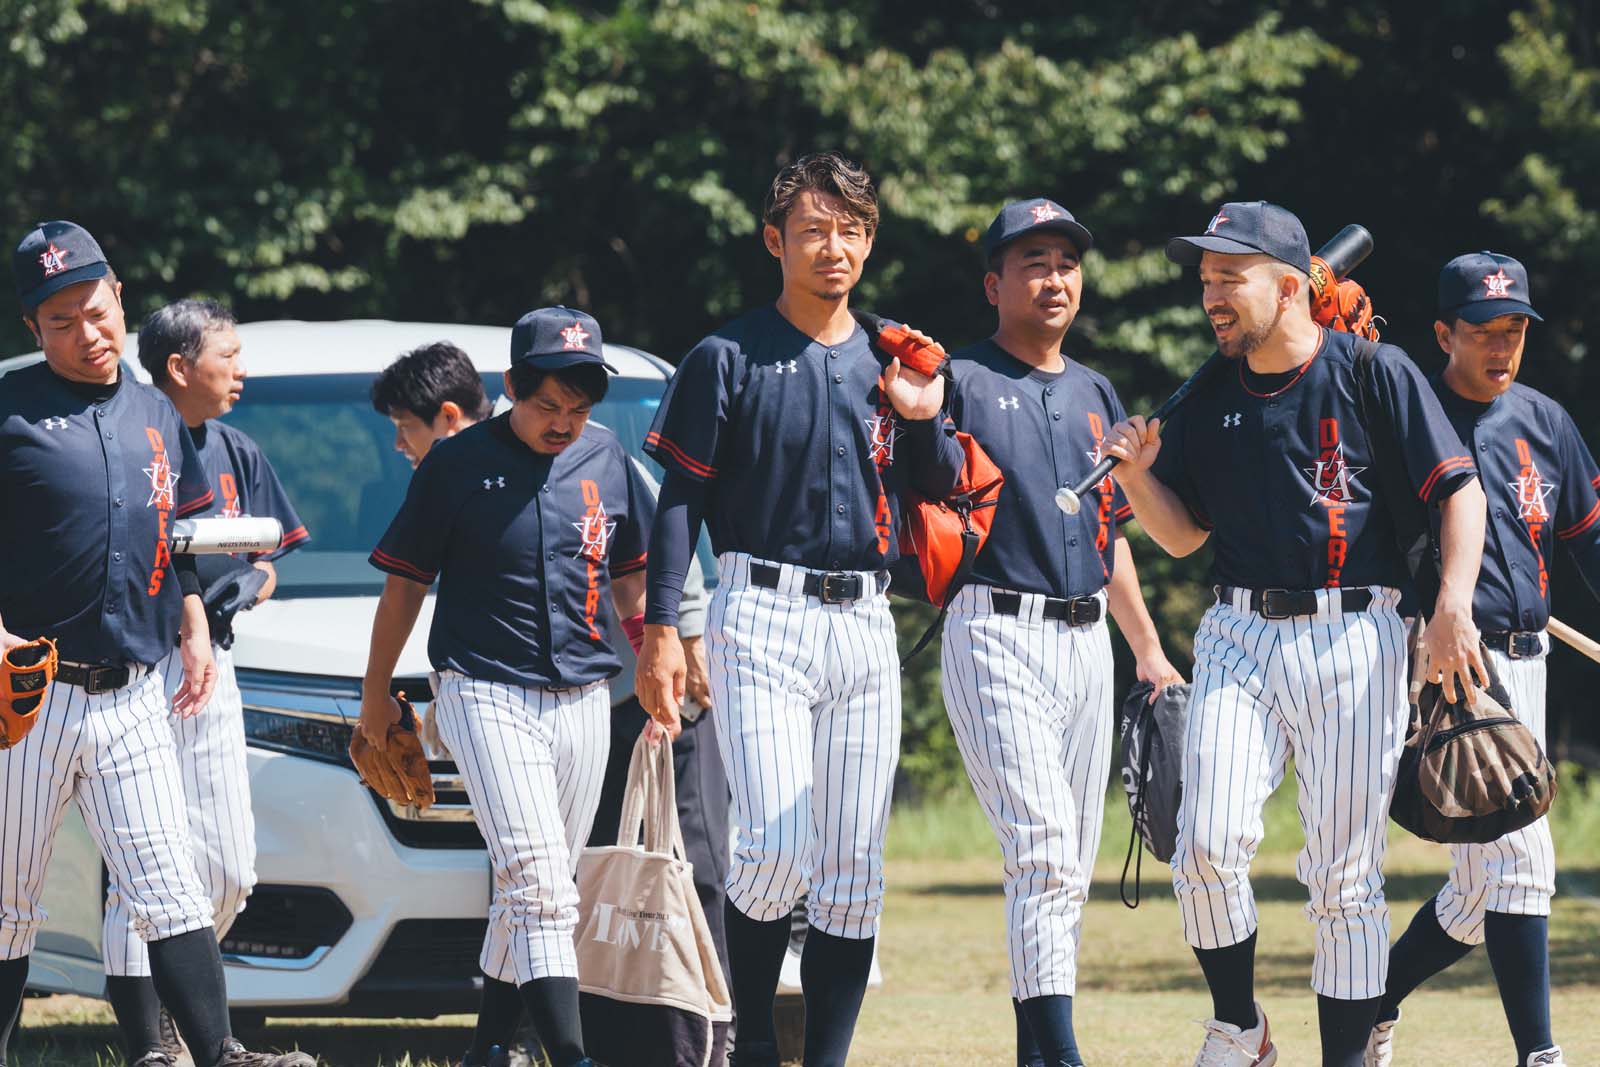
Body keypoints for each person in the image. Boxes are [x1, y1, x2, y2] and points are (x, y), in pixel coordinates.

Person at [1101, 201, 1488, 1067]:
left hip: (1356, 631)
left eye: (1228, 277)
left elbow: (1459, 489)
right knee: (1202, 845)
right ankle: (1240, 1027)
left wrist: (1453, 603)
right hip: (1238, 630)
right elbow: (1183, 536)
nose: (1212, 295)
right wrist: (1134, 478)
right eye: (1205, 278)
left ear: (1288, 287)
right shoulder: (1210, 393)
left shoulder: (1371, 370)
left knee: (1345, 877)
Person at [634, 151, 964, 1067]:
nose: (834, 247)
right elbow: (680, 501)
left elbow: (939, 485)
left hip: (864, 618)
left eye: (851, 230)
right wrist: (662, 628)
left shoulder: (893, 356)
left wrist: (923, 414)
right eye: (814, 229)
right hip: (760, 610)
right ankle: (749, 1046)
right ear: (774, 239)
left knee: (853, 869)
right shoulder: (726, 356)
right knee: (775, 851)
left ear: (870, 242)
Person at [0, 221, 314, 1067]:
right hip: (28, 694)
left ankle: (219, 1053)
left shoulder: (156, 414)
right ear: (32, 327)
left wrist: (194, 619)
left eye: (95, 309)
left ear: (119, 298)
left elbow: (178, 539)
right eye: (60, 320)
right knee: (7, 904)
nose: (86, 332)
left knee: (171, 886)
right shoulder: (9, 407)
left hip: (135, 690)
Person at [360, 307, 652, 1067]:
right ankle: (571, 1055)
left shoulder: (605, 455)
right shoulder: (455, 464)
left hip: (584, 694)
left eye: (578, 407)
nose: (563, 422)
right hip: (483, 687)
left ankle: (488, 1048)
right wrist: (374, 694)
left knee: (538, 887)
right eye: (547, 403)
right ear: (512, 386)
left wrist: (656, 651)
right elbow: (404, 585)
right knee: (541, 884)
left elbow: (630, 574)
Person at [942, 198, 1184, 1067]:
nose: (1054, 279)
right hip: (994, 628)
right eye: (1034, 262)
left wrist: (1147, 648)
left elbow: (1108, 533)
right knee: (1042, 848)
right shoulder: (959, 380)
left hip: (1086, 642)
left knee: (1065, 872)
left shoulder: (1094, 392)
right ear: (994, 284)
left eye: (1067, 263)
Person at [1364, 253, 1598, 1067]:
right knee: (1523, 857)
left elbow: (1588, 540)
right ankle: (1541, 1053)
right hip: (1449, 668)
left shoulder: (1545, 421)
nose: (1502, 346)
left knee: (1476, 893)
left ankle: (1373, 1003)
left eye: (1514, 330)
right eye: (1484, 331)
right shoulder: (1408, 419)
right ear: (1443, 334)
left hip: (1527, 662)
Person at [96, 300, 310, 1064]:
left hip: (212, 662)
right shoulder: (126, 435)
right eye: (229, 354)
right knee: (143, 866)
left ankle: (176, 1005)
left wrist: (248, 585)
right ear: (180, 366)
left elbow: (270, 558)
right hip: (135, 664)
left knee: (227, 870)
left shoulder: (234, 447)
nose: (241, 368)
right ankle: (153, 1038)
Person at [588, 469, 730, 990]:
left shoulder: (603, 458)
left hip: (656, 683)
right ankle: (596, 1011)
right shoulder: (479, 467)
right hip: (581, 701)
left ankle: (714, 1011)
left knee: (696, 861)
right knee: (594, 869)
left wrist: (689, 635)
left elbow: (671, 536)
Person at [370, 340, 493, 468]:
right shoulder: (476, 466)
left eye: (405, 426)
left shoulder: (503, 467)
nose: (399, 444)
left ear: (449, 416)